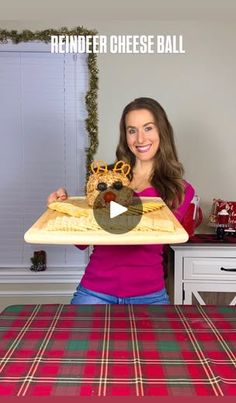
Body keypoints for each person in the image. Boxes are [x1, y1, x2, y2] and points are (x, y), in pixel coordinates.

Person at [48, 97, 195, 304]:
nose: (140, 138)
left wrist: (112, 208)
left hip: (150, 296)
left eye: (148, 128)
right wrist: (63, 207)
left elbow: (157, 232)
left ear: (162, 131)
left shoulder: (179, 189)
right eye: (132, 130)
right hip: (95, 292)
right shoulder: (104, 178)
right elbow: (82, 242)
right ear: (125, 136)